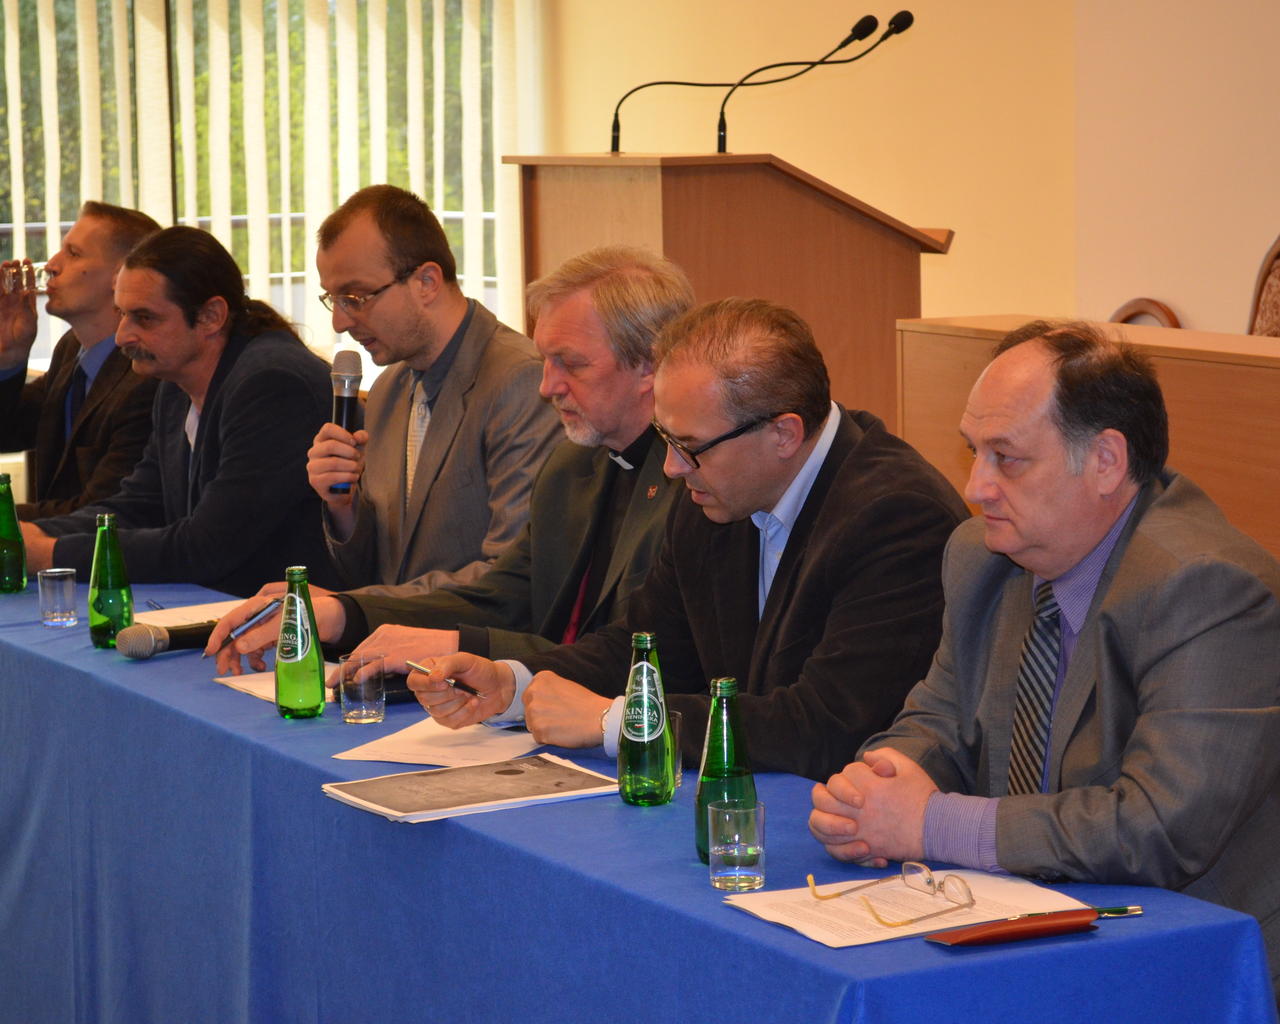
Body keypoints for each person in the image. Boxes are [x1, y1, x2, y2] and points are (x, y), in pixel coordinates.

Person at [807, 321, 1280, 988]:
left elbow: (1159, 828)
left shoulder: (1206, 588)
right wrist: (875, 793)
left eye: (1007, 458)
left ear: (1106, 461)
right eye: (973, 452)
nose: (975, 487)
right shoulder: (984, 558)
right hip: (1031, 923)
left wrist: (933, 824)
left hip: (1194, 959)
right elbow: (937, 722)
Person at [407, 298, 969, 780]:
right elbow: (646, 646)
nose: (672, 468)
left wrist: (618, 722)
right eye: (665, 438)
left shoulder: (897, 517)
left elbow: (826, 727)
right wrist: (515, 683)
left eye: (690, 446)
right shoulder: (718, 486)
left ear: (783, 433)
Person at [210, 246, 695, 675]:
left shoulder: (695, 480)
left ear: (649, 365)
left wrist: (462, 647)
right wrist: (344, 614)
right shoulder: (572, 466)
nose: (548, 386)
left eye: (571, 363)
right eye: (547, 360)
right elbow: (501, 597)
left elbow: (634, 655)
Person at [20, 226, 338, 596]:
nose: (122, 336)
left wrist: (50, 554)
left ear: (211, 316)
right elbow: (139, 506)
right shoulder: (174, 383)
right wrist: (33, 533)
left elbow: (208, 546)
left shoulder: (273, 384)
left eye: (144, 318)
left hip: (291, 621)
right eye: (122, 314)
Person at [304, 184, 559, 598]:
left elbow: (509, 577)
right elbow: (376, 572)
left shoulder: (520, 382)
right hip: (392, 636)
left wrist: (351, 608)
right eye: (332, 299)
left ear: (426, 282)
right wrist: (343, 505)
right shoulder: (387, 390)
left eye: (355, 297)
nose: (340, 322)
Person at [0, 201, 161, 518]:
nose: (52, 265)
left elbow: (103, 512)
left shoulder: (147, 375)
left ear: (120, 276)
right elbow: (8, 433)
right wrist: (9, 358)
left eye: (73, 254)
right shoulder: (72, 348)